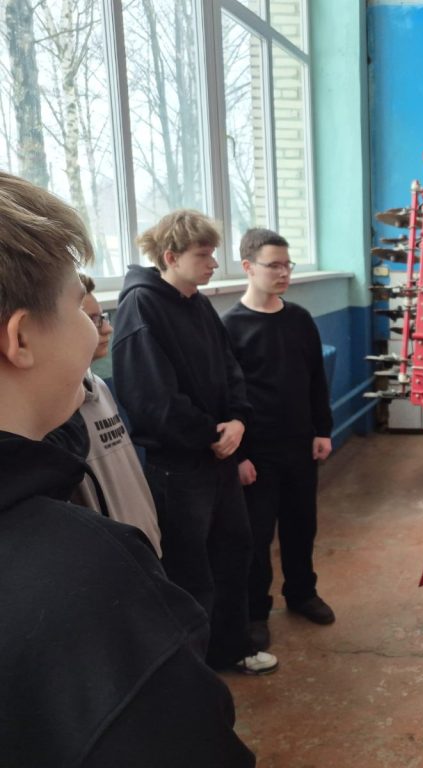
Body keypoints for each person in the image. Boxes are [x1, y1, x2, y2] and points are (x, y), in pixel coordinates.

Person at [0, 171, 254, 766]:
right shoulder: (90, 569)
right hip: (184, 464)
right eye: (79, 307)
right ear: (21, 338)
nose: (98, 328)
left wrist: (236, 422)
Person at [112, 209, 278, 675]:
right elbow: (152, 399)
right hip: (180, 467)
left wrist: (238, 421)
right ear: (171, 257)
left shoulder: (199, 304)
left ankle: (231, 649)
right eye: (203, 255)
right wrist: (211, 435)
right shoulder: (141, 306)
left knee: (234, 552)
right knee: (190, 571)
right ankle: (195, 673)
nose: (213, 263)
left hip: (220, 457)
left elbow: (230, 370)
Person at [222, 228, 335, 651]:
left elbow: (315, 380)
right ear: (248, 267)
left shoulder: (300, 319)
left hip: (300, 446)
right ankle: (255, 611)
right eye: (274, 265)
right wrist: (239, 457)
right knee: (256, 538)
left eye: (288, 265)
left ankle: (302, 593)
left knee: (301, 526)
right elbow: (226, 397)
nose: (284, 273)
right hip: (258, 455)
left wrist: (322, 429)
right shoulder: (230, 327)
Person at [45, 273, 162, 554]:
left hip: (143, 546)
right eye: (93, 319)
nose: (107, 328)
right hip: (113, 556)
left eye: (102, 318)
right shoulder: (54, 409)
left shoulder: (98, 385)